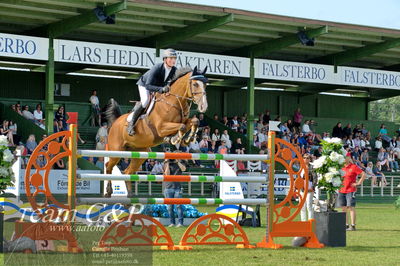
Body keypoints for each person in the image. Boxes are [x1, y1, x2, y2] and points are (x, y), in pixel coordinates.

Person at [127, 48, 177, 135]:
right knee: (146, 101)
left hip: (157, 87)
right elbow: (148, 85)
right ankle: (131, 124)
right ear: (165, 59)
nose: (173, 60)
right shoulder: (157, 67)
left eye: (174, 58)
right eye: (171, 58)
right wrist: (161, 89)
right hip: (144, 85)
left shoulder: (174, 70)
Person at [337, 156, 366, 231]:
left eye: (345, 157)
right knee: (343, 208)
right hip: (341, 190)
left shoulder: (353, 167)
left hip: (351, 190)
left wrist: (358, 183)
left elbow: (363, 174)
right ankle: (346, 225)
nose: (343, 159)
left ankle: (352, 226)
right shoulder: (340, 167)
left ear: (348, 158)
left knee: (351, 207)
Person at [163, 156, 186, 227]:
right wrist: (167, 162)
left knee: (179, 206)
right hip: (168, 187)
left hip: (177, 187)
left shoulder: (181, 163)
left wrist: (178, 161)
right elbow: (167, 174)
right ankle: (172, 223)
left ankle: (180, 223)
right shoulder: (166, 164)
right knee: (170, 207)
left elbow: (184, 169)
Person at [300, 154, 317, 221]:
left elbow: (315, 178)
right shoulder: (301, 167)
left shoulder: (312, 167)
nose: (305, 159)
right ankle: (303, 222)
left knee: (309, 206)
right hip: (301, 189)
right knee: (302, 206)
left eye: (307, 158)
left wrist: (312, 187)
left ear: (310, 159)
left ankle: (310, 222)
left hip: (309, 189)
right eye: (304, 158)